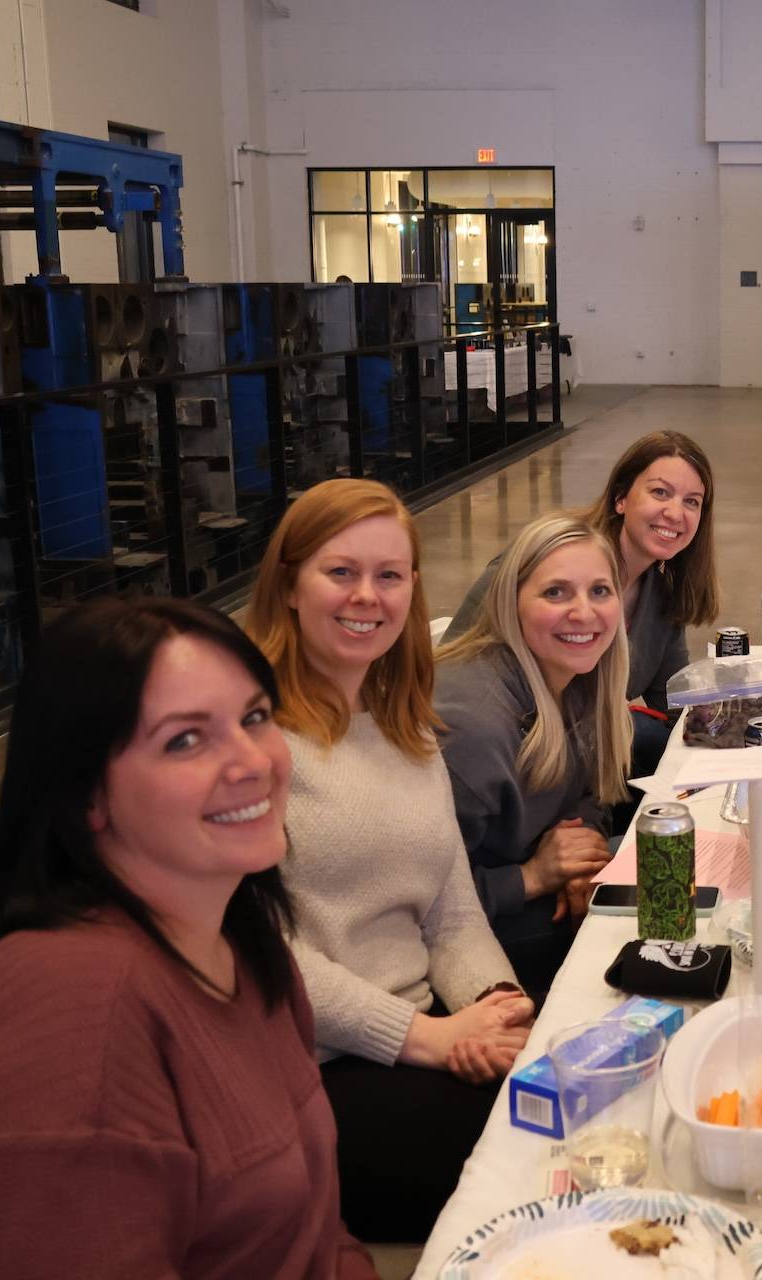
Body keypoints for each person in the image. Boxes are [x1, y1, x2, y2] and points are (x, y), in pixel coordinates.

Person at [0, 598, 375, 1279]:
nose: (252, 761)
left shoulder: (237, 938)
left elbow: (318, 1229)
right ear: (86, 795)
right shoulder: (73, 1026)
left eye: (254, 717)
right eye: (185, 740)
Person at [245, 478, 533, 1243]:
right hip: (313, 1069)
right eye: (340, 572)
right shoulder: (254, 745)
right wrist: (432, 1038)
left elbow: (450, 907)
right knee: (537, 1162)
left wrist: (496, 1004)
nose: (366, 596)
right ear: (289, 585)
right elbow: (263, 953)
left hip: (417, 1032)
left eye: (389, 575)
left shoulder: (402, 727)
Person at [444, 430, 719, 785]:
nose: (674, 513)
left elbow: (678, 706)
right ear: (621, 497)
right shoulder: (544, 561)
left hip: (578, 769)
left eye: (692, 501)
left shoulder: (661, 596)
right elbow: (454, 672)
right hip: (502, 760)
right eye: (660, 492)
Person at [435, 514, 632, 992]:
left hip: (514, 880)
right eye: (556, 592)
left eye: (599, 591)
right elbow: (413, 903)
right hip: (454, 935)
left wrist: (579, 853)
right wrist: (533, 876)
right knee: (633, 925)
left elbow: (587, 791)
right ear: (511, 603)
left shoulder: (577, 678)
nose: (583, 612)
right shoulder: (475, 729)